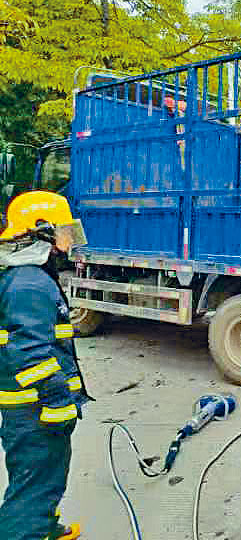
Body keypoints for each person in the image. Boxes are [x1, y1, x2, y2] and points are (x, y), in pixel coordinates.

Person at [0, 191, 90, 540]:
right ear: (43, 232)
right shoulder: (30, 283)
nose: (69, 242)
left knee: (44, 478)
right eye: (63, 232)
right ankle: (27, 532)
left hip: (30, 409)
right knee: (33, 487)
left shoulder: (28, 277)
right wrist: (57, 403)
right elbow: (32, 354)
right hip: (34, 410)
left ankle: (43, 527)